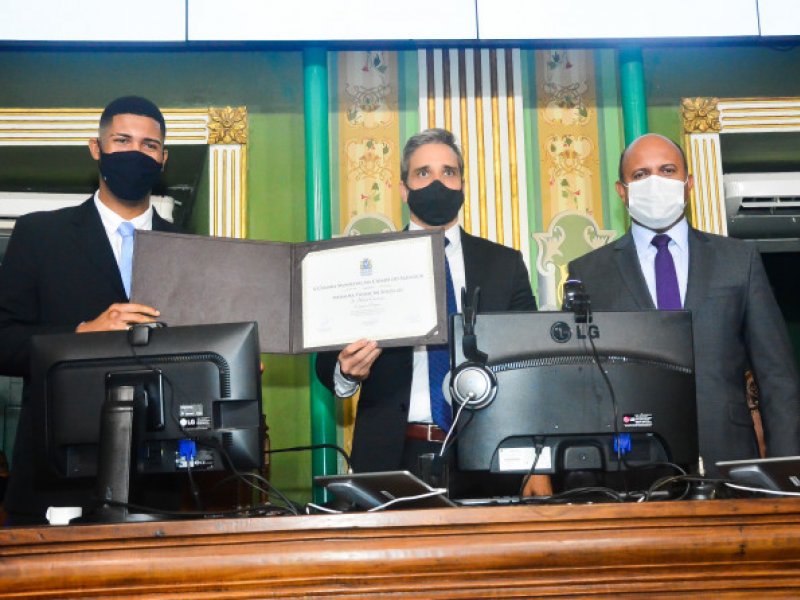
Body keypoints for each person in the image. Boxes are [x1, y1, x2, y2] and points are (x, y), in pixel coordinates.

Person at [316, 128, 538, 496]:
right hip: (392, 455)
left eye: (448, 173)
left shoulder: (505, 264)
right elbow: (327, 362)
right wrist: (346, 371)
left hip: (488, 454)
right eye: (423, 174)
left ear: (462, 185)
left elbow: (532, 368)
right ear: (403, 189)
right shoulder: (366, 263)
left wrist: (536, 462)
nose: (438, 183)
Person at [568, 133, 800, 478]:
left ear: (688, 183)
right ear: (622, 191)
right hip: (628, 469)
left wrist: (787, 473)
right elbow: (579, 386)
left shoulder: (738, 261)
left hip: (729, 463)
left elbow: (776, 376)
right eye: (641, 175)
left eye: (667, 170)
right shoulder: (588, 272)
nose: (655, 182)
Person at [0, 96, 178, 523]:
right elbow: (3, 338)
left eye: (149, 145)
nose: (136, 152)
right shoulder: (39, 235)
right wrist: (81, 334)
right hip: (57, 468)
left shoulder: (193, 247)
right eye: (122, 140)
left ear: (164, 158)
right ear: (96, 149)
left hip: (164, 476)